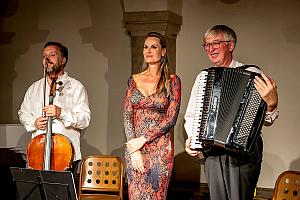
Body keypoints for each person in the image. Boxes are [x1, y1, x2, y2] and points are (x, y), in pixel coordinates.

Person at [184, 25, 279, 200]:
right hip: (212, 154)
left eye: (216, 43)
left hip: (242, 156)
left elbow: (266, 120)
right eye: (207, 45)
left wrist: (271, 105)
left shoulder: (252, 74)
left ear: (231, 45)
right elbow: (190, 115)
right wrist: (193, 138)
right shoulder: (203, 77)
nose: (210, 49)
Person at [123, 32, 181, 200]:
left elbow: (171, 119)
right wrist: (134, 149)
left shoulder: (172, 81)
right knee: (135, 195)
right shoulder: (132, 80)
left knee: (156, 195)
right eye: (145, 47)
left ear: (163, 51)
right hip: (134, 148)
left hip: (160, 149)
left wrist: (144, 139)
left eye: (154, 47)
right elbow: (127, 116)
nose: (148, 50)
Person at [18, 41, 91, 174]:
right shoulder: (34, 88)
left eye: (52, 55)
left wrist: (61, 113)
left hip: (66, 156)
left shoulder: (76, 87)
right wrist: (33, 122)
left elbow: (84, 119)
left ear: (63, 60)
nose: (47, 59)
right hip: (38, 154)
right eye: (44, 55)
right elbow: (23, 113)